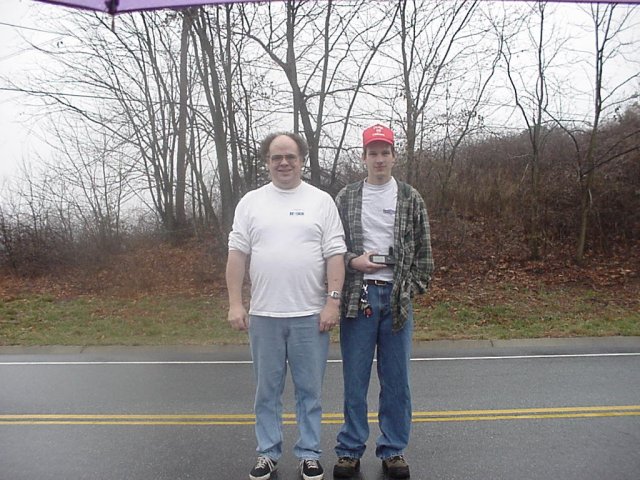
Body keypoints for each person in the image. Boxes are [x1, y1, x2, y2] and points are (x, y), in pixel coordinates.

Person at [226, 132, 346, 480]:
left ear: (302, 160)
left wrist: (332, 302)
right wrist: (236, 302)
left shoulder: (321, 201)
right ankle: (268, 453)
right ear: (267, 161)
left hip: (311, 316)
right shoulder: (251, 202)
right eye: (276, 157)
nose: (283, 163)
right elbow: (237, 255)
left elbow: (335, 255)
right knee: (267, 392)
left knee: (310, 392)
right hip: (264, 316)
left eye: (290, 156)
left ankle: (309, 453)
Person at [333, 124, 434, 479]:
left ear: (394, 156)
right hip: (358, 300)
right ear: (363, 157)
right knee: (355, 378)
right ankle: (350, 449)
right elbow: (331, 248)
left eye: (385, 152)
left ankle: (393, 450)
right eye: (372, 153)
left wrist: (411, 286)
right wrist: (351, 261)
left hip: (396, 302)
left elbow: (424, 251)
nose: (379, 159)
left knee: (396, 380)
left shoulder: (410, 197)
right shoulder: (346, 197)